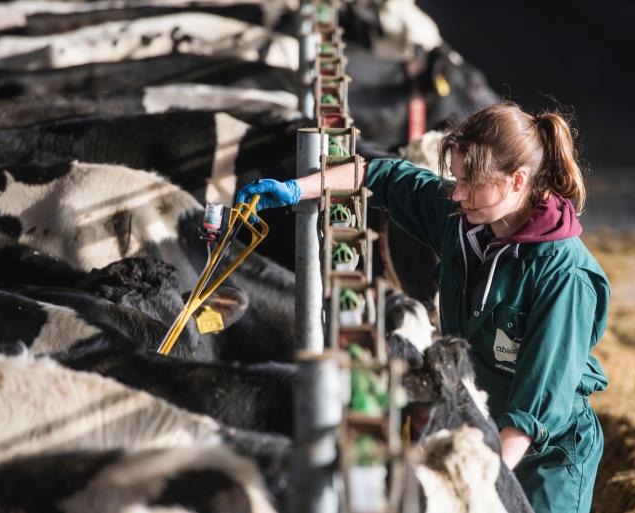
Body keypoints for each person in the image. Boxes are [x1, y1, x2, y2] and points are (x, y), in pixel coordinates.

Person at [236, 101, 610, 513]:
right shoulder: (464, 221)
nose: (458, 193)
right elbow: (381, 176)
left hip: (544, 459)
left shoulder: (564, 278)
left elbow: (534, 413)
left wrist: (479, 482)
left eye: (471, 182)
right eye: (458, 178)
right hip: (479, 428)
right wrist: (296, 189)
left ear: (518, 180)